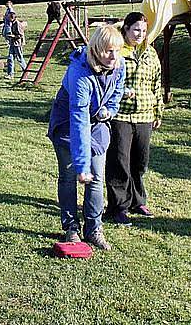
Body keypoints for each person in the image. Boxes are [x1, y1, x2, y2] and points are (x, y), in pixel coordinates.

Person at [47, 25, 126, 250]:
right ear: (96, 50)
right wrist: (82, 165)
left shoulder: (119, 65)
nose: (114, 57)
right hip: (68, 125)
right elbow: (79, 119)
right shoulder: (79, 73)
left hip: (97, 124)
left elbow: (117, 92)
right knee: (70, 175)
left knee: (96, 178)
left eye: (117, 51)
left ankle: (94, 228)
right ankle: (71, 227)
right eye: (109, 51)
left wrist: (110, 109)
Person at [104, 12, 163, 226]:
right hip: (120, 114)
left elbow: (157, 83)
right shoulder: (116, 52)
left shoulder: (150, 53)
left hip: (145, 115)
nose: (140, 34)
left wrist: (158, 111)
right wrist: (121, 93)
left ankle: (138, 201)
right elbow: (106, 79)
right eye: (136, 29)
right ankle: (118, 206)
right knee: (119, 161)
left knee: (140, 162)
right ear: (126, 29)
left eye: (143, 31)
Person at [4, 12, 26, 79]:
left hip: (17, 44)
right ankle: (10, 74)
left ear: (12, 17)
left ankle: (26, 72)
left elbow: (20, 35)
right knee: (10, 59)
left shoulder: (17, 24)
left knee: (20, 58)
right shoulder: (12, 23)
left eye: (8, 17)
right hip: (12, 43)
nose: (7, 18)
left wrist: (13, 36)